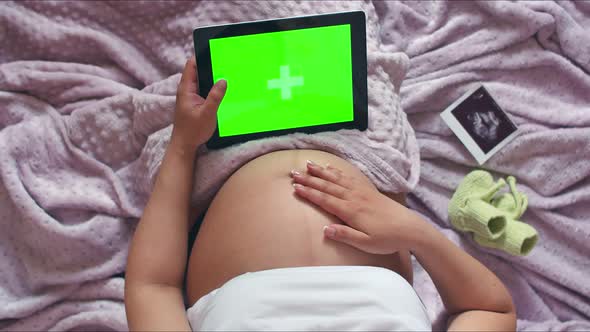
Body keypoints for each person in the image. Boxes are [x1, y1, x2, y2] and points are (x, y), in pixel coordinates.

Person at [124, 56, 516, 331]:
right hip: (365, 151)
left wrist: (182, 145)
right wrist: (413, 232)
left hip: (214, 158)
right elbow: (489, 309)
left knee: (217, 44)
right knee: (346, 31)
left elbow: (152, 287)